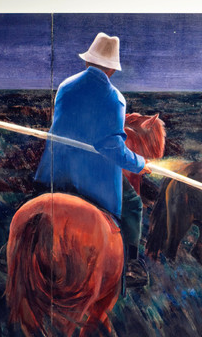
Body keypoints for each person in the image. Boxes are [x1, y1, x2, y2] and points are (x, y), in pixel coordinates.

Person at [34, 32, 150, 286]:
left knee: (35, 206)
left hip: (56, 169)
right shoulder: (114, 98)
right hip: (92, 178)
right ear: (112, 69)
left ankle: (7, 250)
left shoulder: (65, 86)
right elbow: (111, 147)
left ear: (87, 61)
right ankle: (131, 265)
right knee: (133, 204)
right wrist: (140, 164)